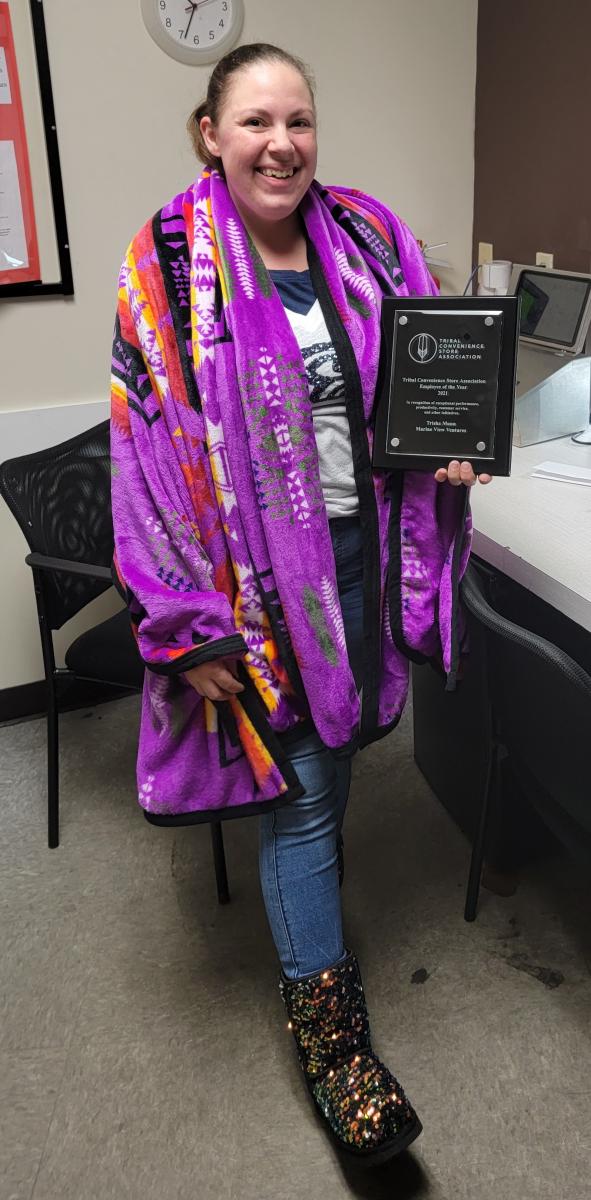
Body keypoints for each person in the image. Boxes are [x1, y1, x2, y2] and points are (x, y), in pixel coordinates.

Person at [110, 42, 491, 1165]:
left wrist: (454, 453)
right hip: (252, 578)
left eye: (300, 121)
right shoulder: (170, 266)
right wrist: (185, 626)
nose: (282, 143)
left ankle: (316, 954)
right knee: (308, 796)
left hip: (362, 546)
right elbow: (144, 454)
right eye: (255, 121)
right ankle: (337, 1048)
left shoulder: (368, 236)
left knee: (350, 744)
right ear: (209, 133)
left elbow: (427, 375)